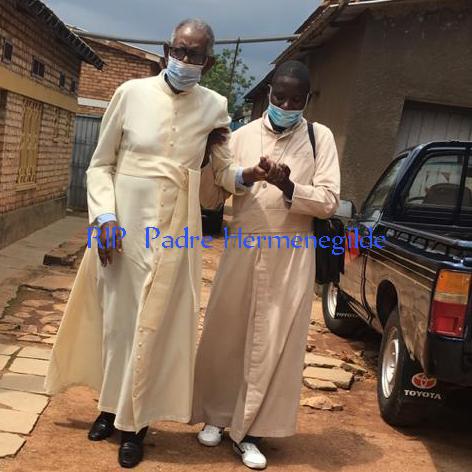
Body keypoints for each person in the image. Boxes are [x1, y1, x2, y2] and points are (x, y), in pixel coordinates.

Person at [45, 19, 266, 469]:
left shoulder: (215, 106)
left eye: (195, 55)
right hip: (122, 228)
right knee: (118, 324)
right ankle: (109, 407)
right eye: (179, 51)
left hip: (176, 229)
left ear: (209, 62)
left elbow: (223, 172)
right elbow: (100, 165)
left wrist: (249, 175)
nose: (184, 60)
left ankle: (136, 425)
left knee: (156, 327)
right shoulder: (130, 93)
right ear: (167, 50)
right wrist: (104, 217)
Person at [191, 60, 341, 470]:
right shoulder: (239, 137)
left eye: (296, 99)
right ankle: (217, 416)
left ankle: (251, 432)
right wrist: (239, 173)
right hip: (243, 247)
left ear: (308, 99)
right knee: (226, 333)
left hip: (291, 256)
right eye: (280, 97)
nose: (286, 105)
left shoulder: (320, 138)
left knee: (274, 342)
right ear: (269, 94)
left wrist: (287, 185)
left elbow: (329, 200)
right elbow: (210, 199)